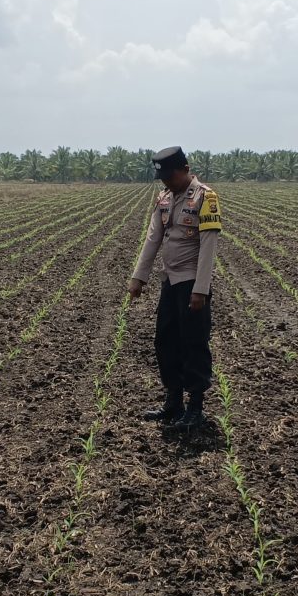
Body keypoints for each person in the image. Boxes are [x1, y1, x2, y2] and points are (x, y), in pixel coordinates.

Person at [128, 146, 222, 430]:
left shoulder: (206, 197)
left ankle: (195, 408)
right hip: (170, 281)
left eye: (170, 176)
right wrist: (138, 277)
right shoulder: (164, 198)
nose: (166, 182)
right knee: (165, 341)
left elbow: (208, 245)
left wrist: (201, 289)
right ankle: (173, 402)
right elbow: (152, 238)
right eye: (163, 178)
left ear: (185, 169)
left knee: (193, 344)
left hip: (191, 282)